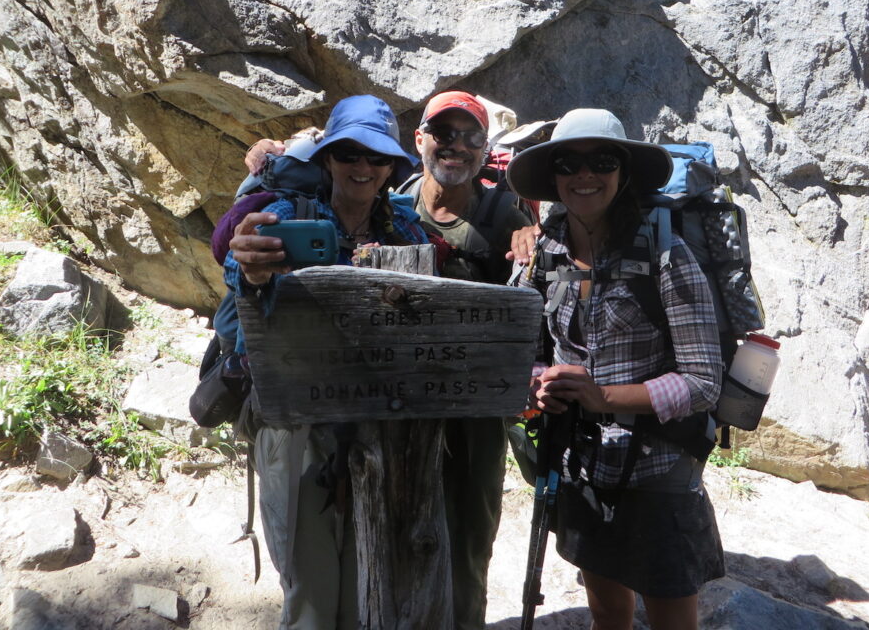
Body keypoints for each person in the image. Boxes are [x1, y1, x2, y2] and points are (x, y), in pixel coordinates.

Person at [506, 109, 725, 630]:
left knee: (671, 613)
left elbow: (702, 381)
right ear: (553, 176)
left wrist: (602, 396)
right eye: (568, 163)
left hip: (658, 468)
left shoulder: (667, 256)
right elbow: (530, 352)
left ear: (622, 172)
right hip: (579, 463)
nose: (584, 175)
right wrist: (541, 385)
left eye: (601, 161)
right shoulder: (544, 254)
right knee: (606, 611)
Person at [225, 94, 428, 630]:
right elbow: (239, 272)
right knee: (311, 584)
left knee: (372, 575)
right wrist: (252, 268)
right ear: (328, 158)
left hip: (377, 424)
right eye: (349, 154)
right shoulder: (290, 215)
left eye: (378, 159)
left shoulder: (403, 231)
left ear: (391, 169)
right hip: (296, 419)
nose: (363, 168)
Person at [402, 91, 534, 630]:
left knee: (471, 531)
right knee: (399, 519)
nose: (455, 146)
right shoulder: (393, 202)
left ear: (485, 150)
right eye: (443, 134)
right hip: (401, 399)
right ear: (419, 141)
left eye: (471, 137)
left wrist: (532, 235)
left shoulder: (505, 215)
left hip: (477, 409)